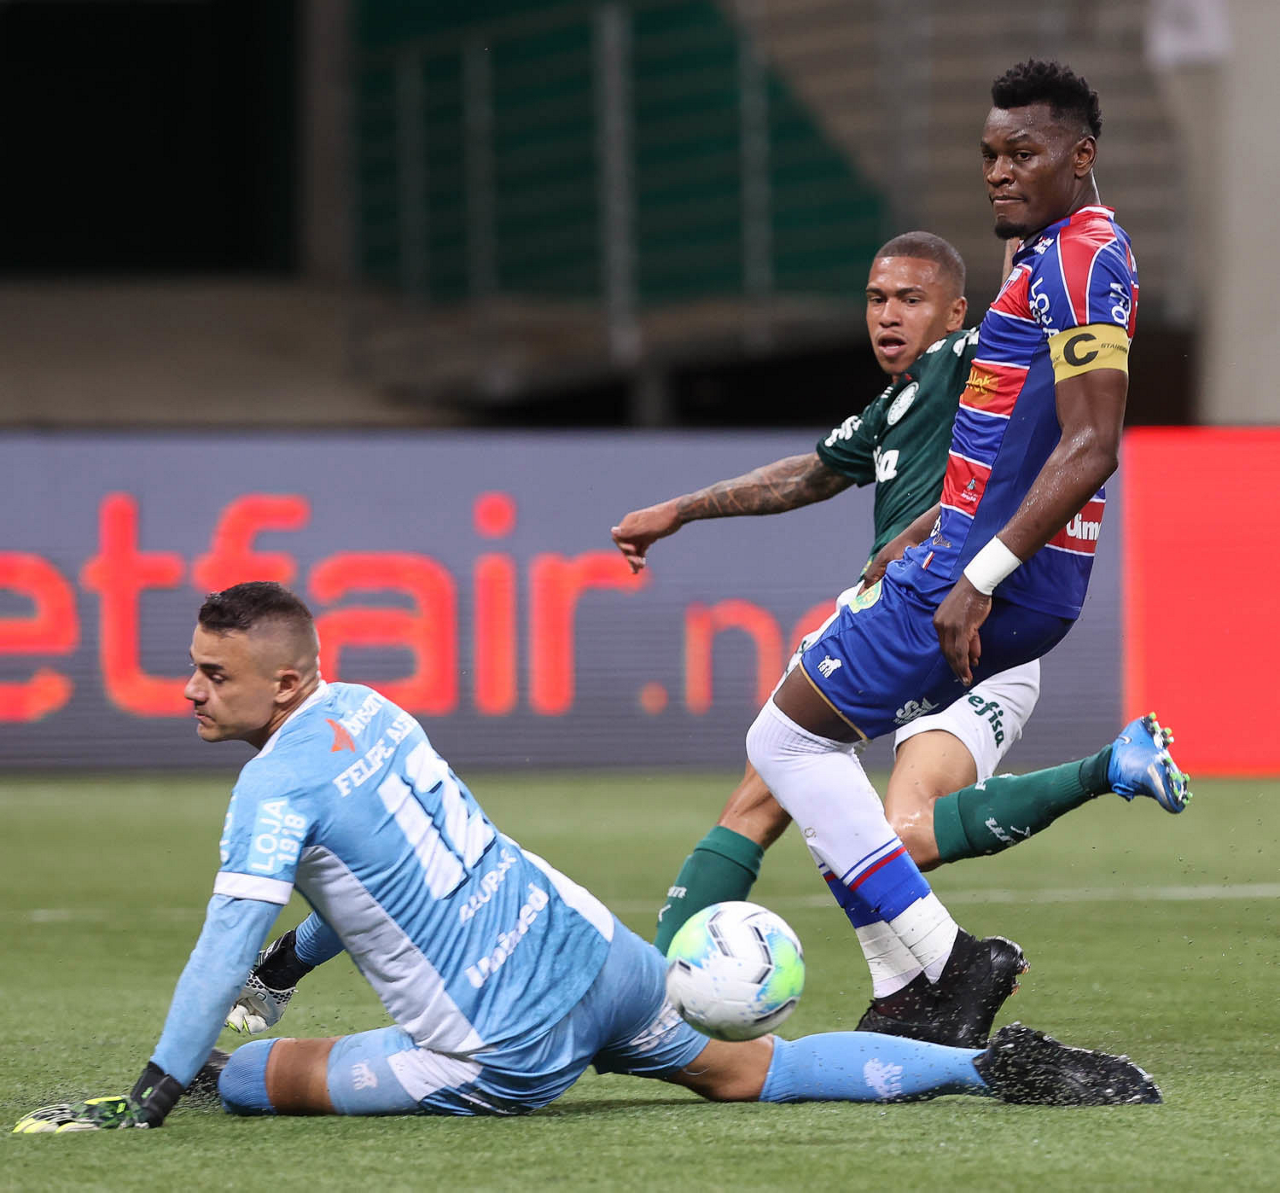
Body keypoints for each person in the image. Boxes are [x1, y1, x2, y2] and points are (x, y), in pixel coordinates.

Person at [12, 582, 1160, 1133]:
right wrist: (288, 965)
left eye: (212, 673)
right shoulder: (369, 707)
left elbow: (222, 938)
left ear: (285, 680)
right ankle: (984, 1069)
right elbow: (372, 880)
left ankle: (205, 1080)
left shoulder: (273, 783)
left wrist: (150, 1090)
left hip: (502, 1042)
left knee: (250, 1078)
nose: (190, 688)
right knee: (751, 1069)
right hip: (599, 957)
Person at [730, 59, 1181, 1048]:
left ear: (1081, 155)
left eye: (1023, 153)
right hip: (981, 562)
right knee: (822, 771)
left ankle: (946, 962)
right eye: (988, 154)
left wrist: (973, 578)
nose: (998, 172)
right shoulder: (1060, 251)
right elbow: (1018, 440)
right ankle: (902, 986)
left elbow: (1092, 444)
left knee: (784, 743)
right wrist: (933, 530)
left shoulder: (1078, 259)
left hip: (981, 575)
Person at [613, 228, 1188, 963]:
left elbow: (1034, 344)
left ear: (958, 313)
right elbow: (808, 476)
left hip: (974, 621)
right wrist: (679, 510)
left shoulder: (980, 358)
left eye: (911, 299)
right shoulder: (894, 406)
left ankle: (1100, 775)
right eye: (877, 298)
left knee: (831, 787)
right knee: (802, 805)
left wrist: (1034, 227)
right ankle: (672, 984)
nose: (888, 315)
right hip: (901, 617)